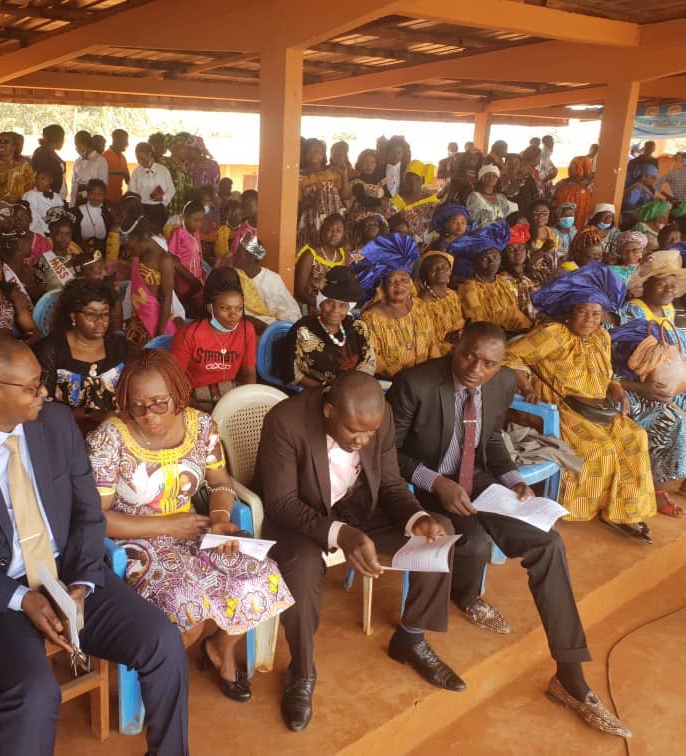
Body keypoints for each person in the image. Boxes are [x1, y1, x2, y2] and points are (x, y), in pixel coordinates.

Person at [0, 333, 189, 755]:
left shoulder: (55, 425)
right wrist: (20, 597)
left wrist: (83, 585)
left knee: (162, 641)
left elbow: (87, 514)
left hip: (68, 575)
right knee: (35, 693)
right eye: (32, 386)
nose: (44, 392)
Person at [387, 322, 630, 737]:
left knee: (549, 544)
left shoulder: (501, 383)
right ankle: (464, 595)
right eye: (469, 356)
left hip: (478, 481)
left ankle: (569, 675)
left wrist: (514, 478)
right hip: (422, 488)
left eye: (488, 362)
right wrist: (437, 483)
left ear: (501, 363)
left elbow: (491, 437)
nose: (476, 369)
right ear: (456, 345)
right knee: (471, 535)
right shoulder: (415, 383)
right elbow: (388, 453)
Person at [256, 372, 462, 732]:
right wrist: (341, 534)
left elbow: (391, 483)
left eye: (371, 432)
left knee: (438, 531)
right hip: (300, 517)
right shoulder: (285, 421)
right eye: (354, 432)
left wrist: (418, 517)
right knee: (302, 570)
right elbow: (280, 502)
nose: (363, 440)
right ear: (328, 410)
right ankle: (302, 671)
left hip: (357, 508)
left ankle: (410, 639)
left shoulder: (375, 418)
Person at [88, 348, 291, 701]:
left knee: (260, 576)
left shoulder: (201, 427)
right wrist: (168, 526)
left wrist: (219, 519)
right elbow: (98, 518)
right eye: (136, 405)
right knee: (185, 605)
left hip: (196, 529)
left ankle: (221, 650)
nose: (148, 415)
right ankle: (163, 686)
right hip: (136, 539)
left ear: (178, 395)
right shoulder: (110, 439)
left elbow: (222, 482)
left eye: (159, 403)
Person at [506, 263, 657, 543]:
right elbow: (510, 357)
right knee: (599, 447)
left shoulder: (601, 337)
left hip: (599, 406)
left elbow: (608, 375)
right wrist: (526, 385)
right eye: (583, 312)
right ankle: (579, 508)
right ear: (569, 314)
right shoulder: (553, 334)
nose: (590, 319)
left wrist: (618, 391)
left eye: (596, 314)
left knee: (636, 437)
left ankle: (624, 510)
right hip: (563, 408)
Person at [33, 278, 136, 436]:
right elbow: (41, 406)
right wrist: (90, 415)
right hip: (66, 434)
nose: (100, 321)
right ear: (73, 316)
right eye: (91, 314)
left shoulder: (122, 348)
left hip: (116, 434)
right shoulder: (50, 350)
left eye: (105, 314)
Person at [611, 318, 686, 517]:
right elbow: (604, 376)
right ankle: (657, 486)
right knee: (673, 419)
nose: (592, 317)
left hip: (648, 387)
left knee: (677, 412)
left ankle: (677, 476)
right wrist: (640, 387)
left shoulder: (663, 323)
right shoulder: (621, 325)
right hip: (621, 389)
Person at [169, 267, 256, 411]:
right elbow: (174, 382)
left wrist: (244, 405)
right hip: (193, 400)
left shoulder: (246, 330)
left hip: (230, 399)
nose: (233, 315)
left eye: (239, 308)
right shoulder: (189, 334)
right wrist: (204, 413)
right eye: (224, 308)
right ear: (211, 307)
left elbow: (249, 374)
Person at [359, 237, 438, 379]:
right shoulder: (371, 317)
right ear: (382, 287)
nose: (399, 285)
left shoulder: (420, 306)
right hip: (392, 384)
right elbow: (375, 360)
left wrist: (433, 373)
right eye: (392, 281)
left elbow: (432, 343)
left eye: (404, 280)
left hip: (426, 379)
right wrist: (408, 381)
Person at [284, 265, 374, 388]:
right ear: (320, 304)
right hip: (315, 393)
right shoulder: (302, 329)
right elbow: (292, 373)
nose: (335, 310)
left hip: (353, 391)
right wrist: (327, 391)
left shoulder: (358, 328)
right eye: (329, 303)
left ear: (349, 308)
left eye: (342, 305)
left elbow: (368, 363)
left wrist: (351, 389)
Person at [227, 231, 301, 326]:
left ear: (251, 257)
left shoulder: (272, 280)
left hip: (270, 330)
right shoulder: (232, 275)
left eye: (239, 252)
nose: (235, 255)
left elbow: (291, 315)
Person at [123, 219, 177, 346]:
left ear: (145, 239)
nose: (130, 253)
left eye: (131, 247)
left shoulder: (163, 259)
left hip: (154, 322)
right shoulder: (140, 254)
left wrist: (159, 334)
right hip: (137, 319)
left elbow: (167, 297)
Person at [457, 244, 533, 334]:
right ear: (476, 263)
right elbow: (478, 323)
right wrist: (510, 334)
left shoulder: (501, 281)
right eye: (485, 258)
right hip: (492, 338)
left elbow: (514, 313)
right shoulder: (468, 288)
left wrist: (527, 329)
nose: (492, 261)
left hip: (515, 333)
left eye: (495, 256)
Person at [294, 213, 349, 311]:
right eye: (329, 229)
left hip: (335, 309)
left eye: (339, 230)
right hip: (311, 306)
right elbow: (300, 291)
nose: (334, 234)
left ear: (343, 235)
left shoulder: (344, 256)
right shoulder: (310, 255)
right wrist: (322, 306)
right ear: (323, 232)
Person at [416, 249, 464, 357]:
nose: (441, 270)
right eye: (434, 268)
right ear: (425, 274)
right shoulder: (421, 303)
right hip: (439, 354)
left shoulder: (452, 294)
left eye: (445, 267)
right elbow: (428, 341)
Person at [620, 250, 685, 323]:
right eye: (661, 284)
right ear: (646, 286)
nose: (668, 289)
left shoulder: (668, 308)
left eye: (673, 286)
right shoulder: (634, 309)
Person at [0, 132, 35, 211]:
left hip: (17, 212)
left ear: (14, 146)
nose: (1, 144)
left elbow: (30, 189)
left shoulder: (24, 166)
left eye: (6, 142)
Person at [167, 200, 207, 311]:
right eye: (195, 220)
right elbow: (171, 257)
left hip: (197, 276)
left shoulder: (196, 233)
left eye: (201, 220)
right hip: (183, 278)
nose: (199, 224)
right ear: (185, 217)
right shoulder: (178, 232)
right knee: (187, 302)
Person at [389, 161, 438, 243]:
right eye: (410, 179)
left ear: (422, 180)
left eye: (417, 179)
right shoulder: (396, 201)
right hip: (407, 244)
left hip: (433, 242)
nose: (413, 182)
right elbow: (392, 226)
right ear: (405, 181)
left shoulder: (432, 198)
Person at [129, 141, 175, 230]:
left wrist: (163, 198)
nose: (140, 161)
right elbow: (132, 191)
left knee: (157, 234)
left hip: (158, 209)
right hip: (141, 209)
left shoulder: (163, 170)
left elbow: (171, 189)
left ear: (150, 154)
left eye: (143, 158)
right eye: (138, 158)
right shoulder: (136, 172)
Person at [499, 232, 539, 323]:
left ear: (527, 252)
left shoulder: (528, 278)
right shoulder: (502, 280)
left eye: (520, 248)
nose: (517, 252)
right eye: (510, 249)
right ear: (504, 256)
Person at [466, 165, 517, 230]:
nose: (491, 178)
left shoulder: (502, 197)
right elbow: (473, 217)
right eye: (487, 175)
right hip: (482, 234)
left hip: (500, 233)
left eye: (494, 176)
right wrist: (495, 216)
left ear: (497, 180)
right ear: (481, 179)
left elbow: (508, 216)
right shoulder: (474, 196)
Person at [71, 178, 114, 254]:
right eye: (92, 193)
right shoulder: (76, 212)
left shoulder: (108, 215)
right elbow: (73, 237)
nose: (96, 197)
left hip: (102, 253)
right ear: (87, 194)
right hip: (80, 252)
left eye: (99, 194)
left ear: (104, 196)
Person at [347, 148, 390, 221]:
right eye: (366, 162)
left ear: (376, 164)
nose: (369, 165)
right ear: (360, 163)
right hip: (362, 217)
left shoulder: (380, 180)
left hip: (382, 215)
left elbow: (388, 195)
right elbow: (363, 200)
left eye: (372, 162)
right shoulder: (357, 181)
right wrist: (380, 202)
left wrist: (386, 200)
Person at [70, 131, 109, 207]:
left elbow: (104, 183)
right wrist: (72, 202)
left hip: (94, 196)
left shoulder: (100, 160)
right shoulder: (77, 161)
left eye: (77, 145)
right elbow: (74, 183)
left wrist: (87, 193)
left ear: (82, 144)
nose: (76, 149)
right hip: (79, 197)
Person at [22, 170, 65, 237]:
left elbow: (61, 216)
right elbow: (32, 221)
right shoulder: (30, 196)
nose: (38, 181)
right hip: (37, 234)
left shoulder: (57, 197)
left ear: (51, 181)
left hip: (55, 234)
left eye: (42, 179)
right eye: (37, 178)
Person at [552, 160, 593, 230]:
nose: (569, 168)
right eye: (569, 166)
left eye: (573, 167)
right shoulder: (562, 182)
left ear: (581, 168)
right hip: (562, 218)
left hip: (580, 217)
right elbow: (553, 197)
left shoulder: (588, 185)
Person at [31, 124, 67, 198]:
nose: (63, 141)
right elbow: (43, 177)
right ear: (56, 138)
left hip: (54, 197)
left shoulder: (49, 152)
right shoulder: (43, 153)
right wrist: (51, 196)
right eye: (62, 137)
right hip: (48, 198)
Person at [622, 164, 658, 228]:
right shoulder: (636, 189)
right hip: (632, 224)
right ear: (644, 176)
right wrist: (644, 222)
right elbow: (627, 209)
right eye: (653, 178)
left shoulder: (642, 188)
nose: (654, 180)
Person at [103, 128, 130, 203]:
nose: (127, 144)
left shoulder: (123, 158)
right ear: (117, 141)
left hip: (118, 200)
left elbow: (128, 180)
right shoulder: (105, 156)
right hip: (105, 200)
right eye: (125, 141)